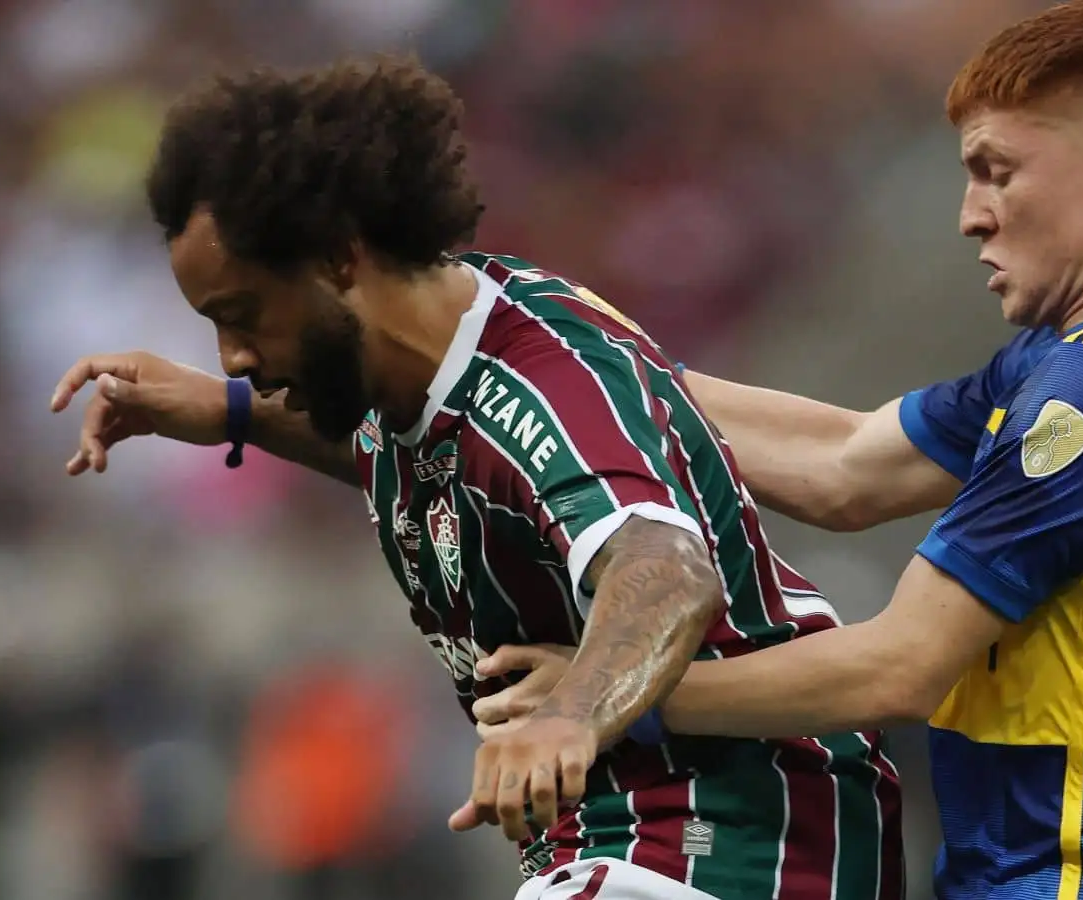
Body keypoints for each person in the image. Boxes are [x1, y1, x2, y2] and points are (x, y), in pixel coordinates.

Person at [49, 58, 902, 900]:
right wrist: (234, 412)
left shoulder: (540, 383)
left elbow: (666, 571)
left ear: (340, 260)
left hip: (735, 832)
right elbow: (431, 456)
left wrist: (569, 718)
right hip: (625, 837)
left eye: (242, 317)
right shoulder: (420, 365)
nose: (233, 356)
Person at [472, 1, 1083, 898]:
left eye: (996, 172)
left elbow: (899, 666)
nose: (971, 215)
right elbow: (845, 466)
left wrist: (609, 695)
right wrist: (584, 367)